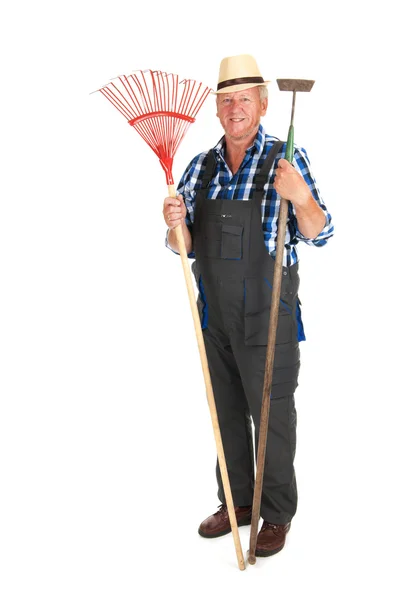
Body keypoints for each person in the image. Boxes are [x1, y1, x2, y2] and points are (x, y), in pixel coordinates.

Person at [162, 54, 334, 558]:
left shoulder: (285, 159)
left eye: (244, 99)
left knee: (273, 414)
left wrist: (300, 197)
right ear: (217, 110)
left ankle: (275, 513)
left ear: (262, 103)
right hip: (214, 315)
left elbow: (321, 232)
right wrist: (173, 221)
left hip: (268, 313)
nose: (235, 108)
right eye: (226, 100)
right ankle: (238, 502)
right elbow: (184, 244)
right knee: (227, 411)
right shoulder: (201, 165)